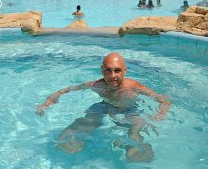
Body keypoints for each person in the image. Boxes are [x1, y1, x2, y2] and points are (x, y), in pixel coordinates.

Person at [36, 52, 170, 162]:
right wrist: (46, 103)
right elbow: (65, 90)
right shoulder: (97, 85)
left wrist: (161, 113)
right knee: (87, 120)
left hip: (130, 110)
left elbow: (164, 100)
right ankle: (71, 140)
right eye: (108, 71)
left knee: (135, 127)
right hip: (106, 106)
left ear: (125, 71)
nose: (113, 76)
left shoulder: (133, 86)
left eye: (117, 71)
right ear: (102, 70)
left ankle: (135, 151)